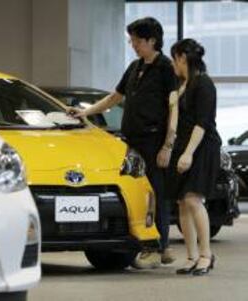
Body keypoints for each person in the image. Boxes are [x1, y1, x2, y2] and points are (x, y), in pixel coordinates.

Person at [68, 17, 177, 268]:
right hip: (131, 141)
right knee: (133, 191)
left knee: (156, 193)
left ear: (152, 40)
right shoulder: (134, 67)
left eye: (137, 41)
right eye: (132, 41)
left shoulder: (165, 68)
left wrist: (167, 146)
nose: (134, 45)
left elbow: (174, 109)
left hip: (154, 141)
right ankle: (143, 244)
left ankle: (159, 245)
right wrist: (86, 112)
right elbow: (115, 97)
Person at [169, 39, 220, 276]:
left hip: (203, 148)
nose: (173, 64)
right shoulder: (183, 85)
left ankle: (206, 255)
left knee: (193, 199)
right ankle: (190, 256)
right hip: (183, 146)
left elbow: (202, 123)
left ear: (182, 58)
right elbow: (177, 122)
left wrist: (188, 153)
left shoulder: (204, 84)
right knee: (181, 202)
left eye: (174, 59)